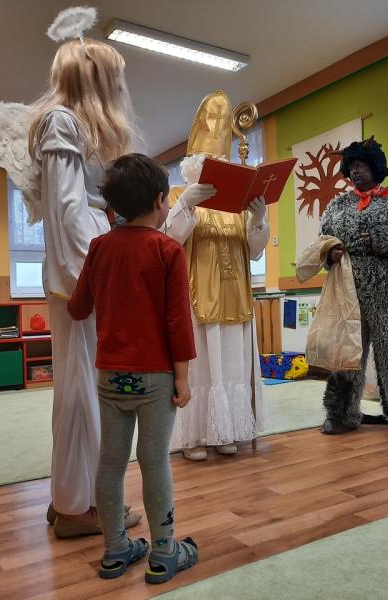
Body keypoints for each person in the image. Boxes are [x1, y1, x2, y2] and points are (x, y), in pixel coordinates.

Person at [68, 154, 199, 583]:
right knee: (154, 460)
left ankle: (114, 551)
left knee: (110, 463)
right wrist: (182, 379)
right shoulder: (167, 249)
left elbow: (78, 308)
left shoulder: (100, 247)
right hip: (157, 379)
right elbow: (178, 322)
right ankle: (163, 553)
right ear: (160, 200)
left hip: (110, 376)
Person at [28, 37, 141, 536]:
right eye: (115, 78)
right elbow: (69, 212)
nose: (120, 88)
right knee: (81, 392)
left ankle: (74, 497)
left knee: (82, 390)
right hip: (79, 277)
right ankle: (79, 508)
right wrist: (93, 283)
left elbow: (75, 209)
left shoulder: (69, 125)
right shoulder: (62, 121)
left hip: (82, 270)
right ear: (96, 79)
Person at [164, 91, 269, 461]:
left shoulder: (236, 204)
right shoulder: (179, 194)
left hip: (235, 296)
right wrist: (185, 204)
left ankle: (228, 430)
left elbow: (254, 251)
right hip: (197, 298)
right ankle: (194, 437)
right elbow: (168, 241)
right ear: (195, 165)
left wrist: (258, 219)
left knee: (232, 365)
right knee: (202, 368)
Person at [318, 137, 388, 436]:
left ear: (375, 167)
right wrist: (330, 254)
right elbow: (322, 242)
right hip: (348, 292)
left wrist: (380, 238)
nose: (356, 171)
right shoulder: (337, 206)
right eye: (352, 166)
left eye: (362, 165)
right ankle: (341, 414)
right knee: (347, 353)